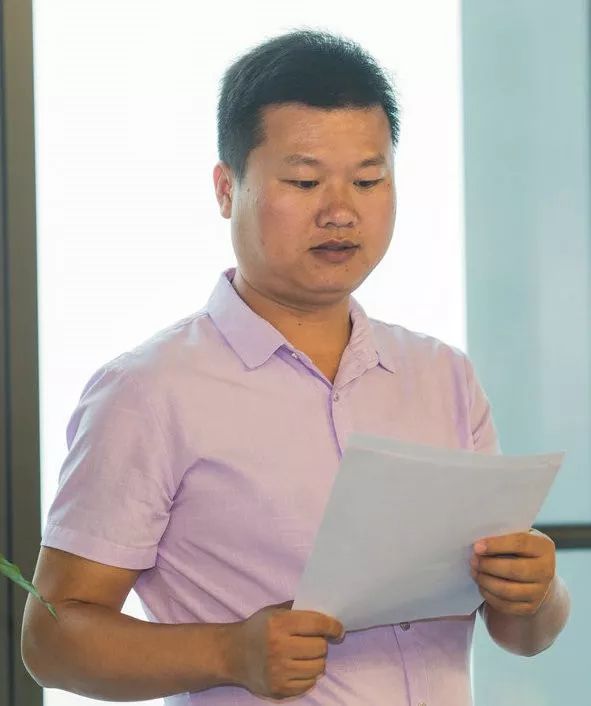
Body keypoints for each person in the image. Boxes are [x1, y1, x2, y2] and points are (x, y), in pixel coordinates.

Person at [22, 29, 570, 706]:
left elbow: (523, 634)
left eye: (368, 180)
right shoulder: (149, 391)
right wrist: (228, 652)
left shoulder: (441, 376)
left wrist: (536, 592)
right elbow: (51, 641)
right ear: (226, 188)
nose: (340, 211)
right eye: (305, 182)